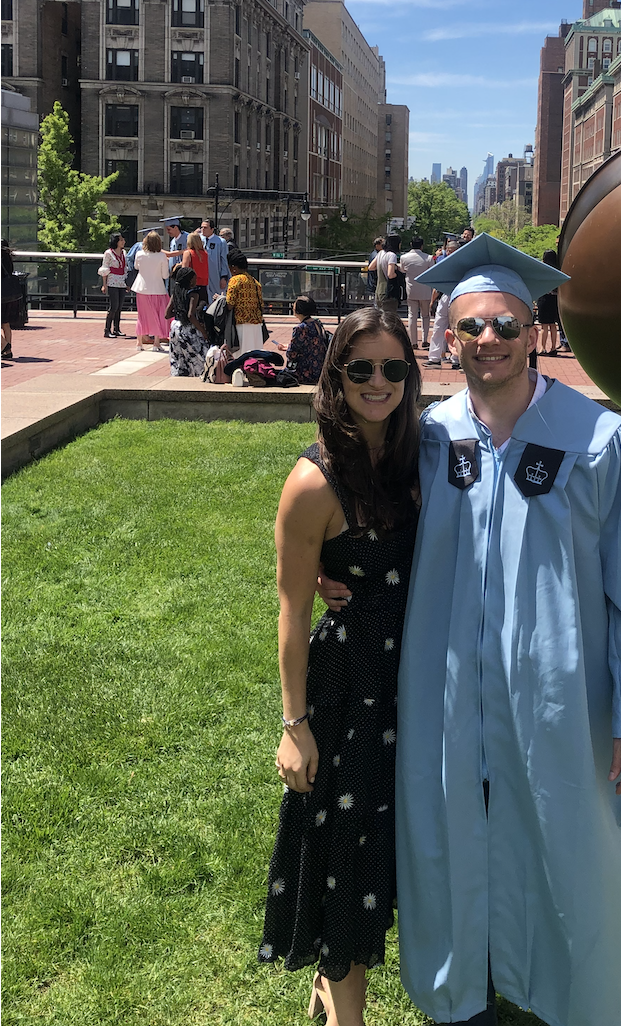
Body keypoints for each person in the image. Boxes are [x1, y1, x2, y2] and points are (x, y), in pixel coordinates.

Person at [319, 234, 621, 1026]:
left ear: (534, 329)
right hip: (449, 701)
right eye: (470, 328)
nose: (487, 341)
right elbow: (361, 510)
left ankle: (574, 999)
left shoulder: (599, 441)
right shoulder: (427, 437)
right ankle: (465, 989)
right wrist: (335, 575)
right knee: (452, 844)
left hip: (565, 706)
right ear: (448, 336)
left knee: (573, 856)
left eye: (503, 325)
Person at [258, 307, 422, 1026]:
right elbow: (292, 609)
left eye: (393, 368)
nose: (378, 382)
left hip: (415, 681)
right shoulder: (313, 481)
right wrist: (294, 725)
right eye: (361, 370)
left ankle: (333, 986)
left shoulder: (421, 457)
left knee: (397, 843)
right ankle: (345, 1011)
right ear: (336, 377)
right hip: (348, 687)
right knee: (345, 849)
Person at [164, 264, 209, 376]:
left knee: (179, 359)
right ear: (189, 281)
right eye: (194, 279)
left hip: (175, 328)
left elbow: (167, 314)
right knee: (199, 358)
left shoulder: (176, 294)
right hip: (189, 329)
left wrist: (179, 312)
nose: (196, 281)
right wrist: (203, 332)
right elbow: (190, 315)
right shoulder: (194, 294)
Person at [131, 231, 171, 352]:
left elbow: (136, 267)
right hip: (158, 289)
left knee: (141, 316)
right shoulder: (161, 256)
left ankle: (139, 342)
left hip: (142, 288)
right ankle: (156, 343)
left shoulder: (139, 254)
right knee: (158, 315)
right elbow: (165, 275)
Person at [276, 294, 328, 384]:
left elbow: (292, 354)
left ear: (299, 310)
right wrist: (288, 346)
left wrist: (287, 348)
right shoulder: (316, 323)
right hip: (318, 369)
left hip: (306, 372)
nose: (293, 305)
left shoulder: (301, 328)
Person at [426, 239, 460, 368]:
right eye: (449, 251)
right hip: (445, 295)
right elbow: (437, 283)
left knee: (456, 327)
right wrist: (433, 300)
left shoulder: (463, 264)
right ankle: (434, 358)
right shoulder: (442, 262)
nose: (450, 253)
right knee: (438, 326)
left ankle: (456, 359)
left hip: (458, 296)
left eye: (453, 251)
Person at [225, 251, 266, 351]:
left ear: (233, 267)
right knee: (255, 357)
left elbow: (229, 304)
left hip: (241, 324)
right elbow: (261, 304)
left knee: (241, 357)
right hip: (256, 325)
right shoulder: (255, 282)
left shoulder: (235, 280)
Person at [400, 236, 433, 349]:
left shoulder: (404, 258)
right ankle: (424, 340)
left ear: (411, 244)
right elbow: (431, 272)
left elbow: (403, 270)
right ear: (422, 246)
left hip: (411, 290)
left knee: (412, 316)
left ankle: (413, 342)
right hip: (425, 290)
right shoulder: (428, 258)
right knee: (425, 316)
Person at [100, 232, 130, 339]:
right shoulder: (108, 253)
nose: (123, 242)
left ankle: (117, 329)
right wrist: (104, 284)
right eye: (121, 240)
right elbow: (105, 268)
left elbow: (125, 267)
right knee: (114, 306)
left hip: (122, 282)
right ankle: (107, 330)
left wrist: (127, 283)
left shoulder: (124, 253)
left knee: (120, 306)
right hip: (112, 281)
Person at [534, 249, 561, 359]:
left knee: (544, 325)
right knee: (553, 324)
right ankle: (553, 348)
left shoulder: (543, 269)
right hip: (555, 298)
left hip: (544, 298)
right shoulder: (558, 270)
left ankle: (542, 348)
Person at [201, 218, 231, 305]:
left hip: (215, 275)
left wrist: (224, 277)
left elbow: (224, 260)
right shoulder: (199, 240)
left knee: (216, 298)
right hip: (203, 275)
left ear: (212, 229)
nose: (203, 229)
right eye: (202, 227)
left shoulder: (221, 242)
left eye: (205, 227)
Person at [181, 232, 209, 303]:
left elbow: (184, 270)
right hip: (203, 285)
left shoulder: (188, 253)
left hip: (191, 285)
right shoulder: (205, 253)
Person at [375, 238, 399, 315]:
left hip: (378, 290)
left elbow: (371, 267)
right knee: (389, 317)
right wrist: (397, 273)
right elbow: (390, 274)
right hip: (388, 291)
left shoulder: (380, 253)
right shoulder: (392, 255)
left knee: (380, 316)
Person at [1, 238, 16, 360]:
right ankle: (8, 351)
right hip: (9, 294)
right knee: (5, 323)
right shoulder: (8, 258)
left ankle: (4, 346)